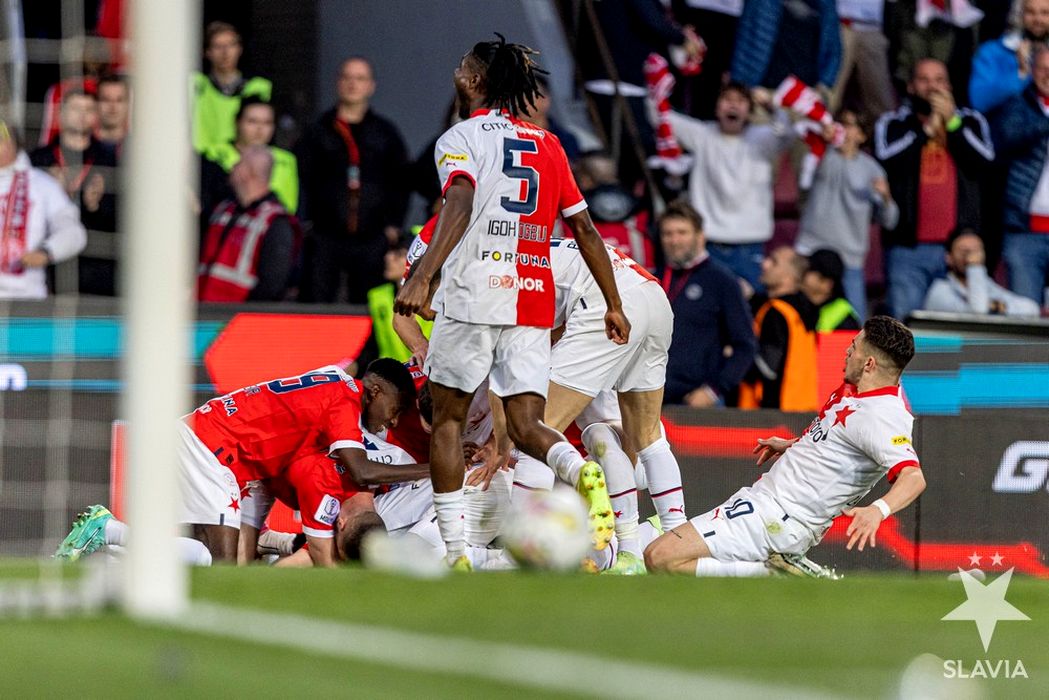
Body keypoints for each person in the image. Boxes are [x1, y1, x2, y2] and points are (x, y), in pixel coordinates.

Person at [394, 35, 630, 566]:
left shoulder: (459, 138)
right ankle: (580, 469)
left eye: (462, 66)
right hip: (531, 297)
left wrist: (424, 276)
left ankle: (456, 552)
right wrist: (613, 303)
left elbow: (459, 201)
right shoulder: (548, 144)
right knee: (526, 426)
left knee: (448, 422)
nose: (457, 72)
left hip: (474, 293)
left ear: (475, 80)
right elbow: (585, 229)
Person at [55, 360, 418, 564]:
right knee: (223, 567)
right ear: (375, 392)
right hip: (213, 451)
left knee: (203, 556)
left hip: (209, 439)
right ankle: (107, 530)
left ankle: (110, 552)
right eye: (396, 409)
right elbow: (360, 469)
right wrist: (433, 469)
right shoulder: (345, 403)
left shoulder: (337, 380)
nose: (394, 420)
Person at [645, 316, 926, 578]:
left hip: (776, 518)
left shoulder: (882, 416)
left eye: (853, 348)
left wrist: (878, 509)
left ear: (869, 364)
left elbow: (913, 477)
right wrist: (796, 446)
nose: (847, 352)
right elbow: (841, 444)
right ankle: (776, 569)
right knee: (665, 558)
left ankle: (772, 573)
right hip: (768, 508)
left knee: (660, 557)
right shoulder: (856, 391)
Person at [874, 58, 994, 320]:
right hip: (907, 250)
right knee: (903, 331)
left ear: (949, 86)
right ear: (910, 86)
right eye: (924, 80)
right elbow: (886, 160)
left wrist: (952, 124)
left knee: (960, 330)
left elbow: (984, 162)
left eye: (939, 80)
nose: (932, 87)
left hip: (958, 251)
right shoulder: (893, 123)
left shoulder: (971, 121)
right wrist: (924, 132)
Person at [298, 56, 409, 303]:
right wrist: (306, 221)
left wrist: (394, 224)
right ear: (338, 82)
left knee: (371, 301)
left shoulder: (385, 133)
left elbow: (400, 181)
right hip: (325, 232)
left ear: (371, 86)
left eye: (360, 78)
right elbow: (303, 178)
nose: (353, 84)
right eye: (347, 77)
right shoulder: (318, 130)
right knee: (317, 301)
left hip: (373, 234)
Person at [665, 83, 796, 288]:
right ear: (717, 107)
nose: (733, 105)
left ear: (749, 110)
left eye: (740, 101)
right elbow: (661, 117)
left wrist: (770, 107)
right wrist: (658, 80)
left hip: (749, 244)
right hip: (709, 242)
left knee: (749, 302)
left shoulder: (762, 138)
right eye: (727, 99)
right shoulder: (703, 134)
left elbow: (787, 133)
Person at [795, 109, 898, 317]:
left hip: (849, 260)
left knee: (854, 323)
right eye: (840, 123)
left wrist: (886, 198)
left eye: (850, 125)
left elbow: (890, 221)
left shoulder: (872, 169)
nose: (843, 129)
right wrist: (821, 142)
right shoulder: (818, 154)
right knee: (799, 315)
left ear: (862, 135)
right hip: (810, 251)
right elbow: (802, 181)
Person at [657, 201, 756, 407]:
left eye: (682, 232)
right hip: (651, 395)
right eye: (667, 234)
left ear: (700, 236)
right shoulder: (652, 278)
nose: (674, 240)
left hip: (695, 399)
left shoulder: (722, 281)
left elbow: (745, 345)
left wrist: (714, 390)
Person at [29, 89, 118, 296]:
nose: (82, 115)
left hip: (97, 275)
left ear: (96, 116)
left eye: (88, 109)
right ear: (60, 113)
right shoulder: (38, 160)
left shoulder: (110, 161)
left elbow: (123, 220)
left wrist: (96, 207)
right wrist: (51, 192)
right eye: (76, 108)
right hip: (49, 271)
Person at [198, 146, 298, 302]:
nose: (232, 168)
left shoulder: (275, 222)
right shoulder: (222, 210)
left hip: (238, 312)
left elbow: (272, 284)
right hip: (204, 307)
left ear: (248, 173)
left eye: (238, 164)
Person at [0, 121, 86, 299]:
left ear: (15, 143)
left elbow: (74, 232)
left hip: (26, 300)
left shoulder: (42, 184)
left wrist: (47, 251)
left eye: (2, 137)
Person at [994, 46, 1049, 307]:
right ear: (1032, 71)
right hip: (1024, 232)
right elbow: (1005, 138)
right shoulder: (1016, 105)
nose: (1048, 74)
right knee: (1024, 317)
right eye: (1042, 68)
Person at [740, 247, 819, 412]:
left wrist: (733, 358)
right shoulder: (804, 309)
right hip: (802, 408)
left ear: (789, 277)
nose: (765, 264)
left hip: (771, 411)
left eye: (774, 262)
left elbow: (767, 367)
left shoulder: (776, 312)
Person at [200, 97, 299, 219]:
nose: (260, 128)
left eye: (267, 122)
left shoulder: (286, 160)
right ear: (237, 122)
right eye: (252, 121)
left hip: (271, 225)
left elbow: (289, 206)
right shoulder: (213, 155)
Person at [191, 22, 272, 154]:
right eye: (218, 46)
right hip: (204, 159)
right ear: (207, 52)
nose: (225, 52)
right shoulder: (196, 86)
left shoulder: (259, 88)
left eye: (231, 45)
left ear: (239, 49)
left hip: (245, 159)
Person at [923, 227, 1042, 316]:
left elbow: (1031, 309)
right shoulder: (939, 291)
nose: (971, 257)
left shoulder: (988, 286)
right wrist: (975, 268)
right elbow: (978, 312)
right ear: (948, 258)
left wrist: (994, 307)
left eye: (976, 251)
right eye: (964, 251)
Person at [730, 0, 841, 92]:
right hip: (764, 90)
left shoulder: (826, 5)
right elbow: (744, 38)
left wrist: (824, 85)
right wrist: (748, 86)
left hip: (805, 94)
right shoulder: (762, 3)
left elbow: (833, 48)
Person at [970, 0, 1049, 115]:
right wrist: (1021, 73)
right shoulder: (992, 52)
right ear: (1018, 14)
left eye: (1045, 13)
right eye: (1030, 12)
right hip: (1011, 123)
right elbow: (979, 101)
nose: (1038, 20)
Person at [829, 0, 897, 126]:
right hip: (842, 25)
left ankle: (887, 134)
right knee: (831, 90)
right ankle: (817, 131)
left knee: (880, 96)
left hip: (873, 28)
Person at [802, 249, 862, 331]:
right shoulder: (799, 303)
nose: (803, 275)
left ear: (829, 284)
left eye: (810, 270)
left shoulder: (844, 318)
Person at [96, 74, 129, 149]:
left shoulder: (142, 147)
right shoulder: (84, 148)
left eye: (119, 100)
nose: (113, 107)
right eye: (106, 100)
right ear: (96, 103)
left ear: (127, 104)